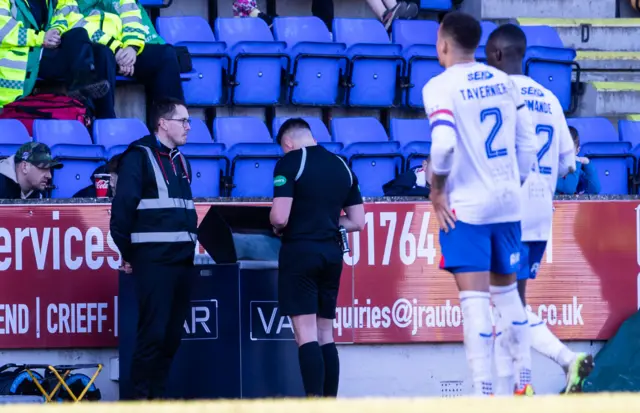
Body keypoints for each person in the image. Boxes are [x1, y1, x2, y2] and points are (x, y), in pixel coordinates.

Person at [422, 11, 538, 396]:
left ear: (443, 43)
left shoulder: (440, 86)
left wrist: (437, 190)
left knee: (474, 302)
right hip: (507, 204)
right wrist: (512, 184)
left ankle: (482, 391)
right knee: (507, 297)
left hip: (467, 208)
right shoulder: (505, 81)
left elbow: (444, 145)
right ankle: (524, 383)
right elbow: (528, 145)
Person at [485, 23, 595, 396]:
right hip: (539, 215)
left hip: (506, 214)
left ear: (498, 55)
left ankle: (565, 360)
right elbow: (569, 163)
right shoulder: (548, 98)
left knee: (503, 305)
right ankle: (521, 386)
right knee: (514, 301)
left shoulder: (494, 95)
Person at [270, 118, 365, 398]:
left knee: (306, 334)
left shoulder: (289, 162)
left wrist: (276, 226)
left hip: (301, 252)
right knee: (326, 334)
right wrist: (327, 223)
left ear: (287, 143)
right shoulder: (342, 165)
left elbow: (279, 216)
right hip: (332, 253)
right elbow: (358, 221)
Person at [110, 98, 197, 400]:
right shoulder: (138, 156)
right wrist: (132, 255)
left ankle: (157, 400)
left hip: (183, 262)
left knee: (172, 337)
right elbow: (121, 214)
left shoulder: (182, 160)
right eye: (183, 120)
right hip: (154, 262)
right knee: (153, 335)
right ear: (163, 123)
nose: (188, 126)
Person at [76, 0, 185, 119]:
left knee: (165, 54)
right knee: (103, 55)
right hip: (95, 48)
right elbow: (75, 24)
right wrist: (116, 49)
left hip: (123, 46)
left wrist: (132, 47)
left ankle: (172, 123)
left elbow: (131, 17)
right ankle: (106, 125)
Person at [0, 0, 111, 109]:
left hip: (39, 55)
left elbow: (64, 18)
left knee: (99, 50)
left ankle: (103, 115)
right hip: (17, 65)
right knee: (80, 43)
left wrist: (55, 31)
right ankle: (83, 95)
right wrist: (41, 38)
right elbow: (3, 30)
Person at [555, 127, 601, 195]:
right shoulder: (551, 171)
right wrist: (575, 163)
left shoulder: (578, 170)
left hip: (573, 205)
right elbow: (568, 189)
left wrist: (588, 164)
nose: (564, 153)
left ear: (577, 151)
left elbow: (594, 190)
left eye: (569, 150)